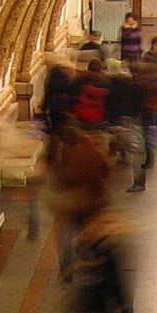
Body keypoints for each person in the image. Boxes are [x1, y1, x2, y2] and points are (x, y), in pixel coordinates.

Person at [41, 119, 110, 280]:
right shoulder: (91, 149)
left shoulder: (66, 152)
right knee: (84, 231)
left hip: (72, 201)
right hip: (90, 201)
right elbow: (105, 172)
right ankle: (91, 262)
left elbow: (62, 176)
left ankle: (66, 267)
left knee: (66, 233)